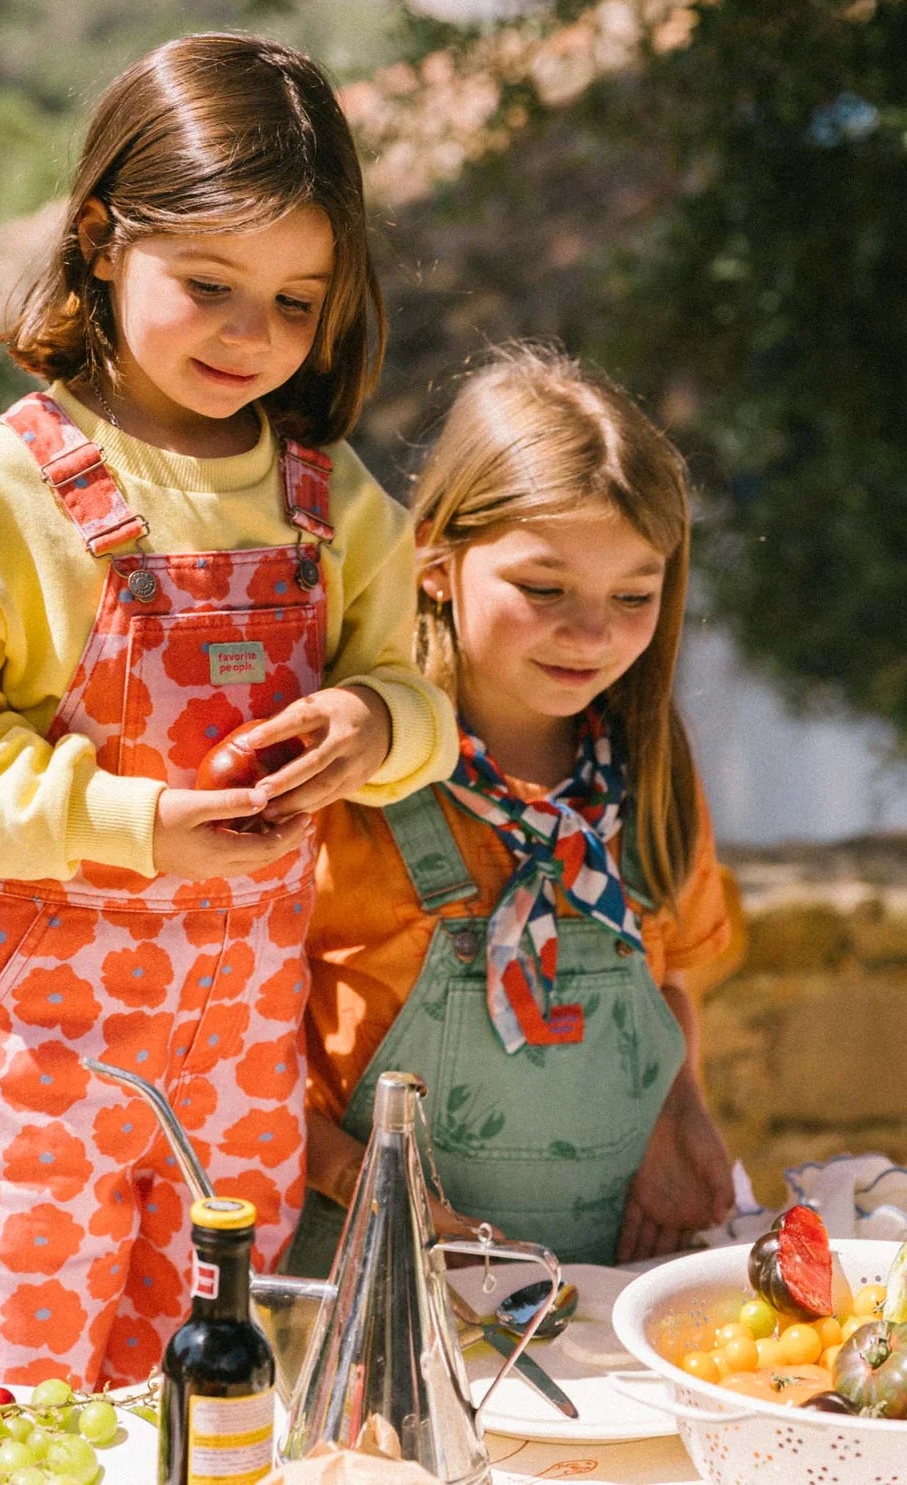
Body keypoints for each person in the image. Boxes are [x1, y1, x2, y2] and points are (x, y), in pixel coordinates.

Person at [0, 33, 456, 1388]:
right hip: (42, 1076)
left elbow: (424, 693)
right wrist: (135, 822)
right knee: (28, 1402)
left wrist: (372, 724)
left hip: (239, 1063)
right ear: (99, 240)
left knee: (213, 1382)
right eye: (211, 285)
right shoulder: (9, 490)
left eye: (298, 301)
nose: (256, 336)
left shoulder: (327, 493)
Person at [290, 343, 737, 1278]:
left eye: (633, 595)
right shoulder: (354, 777)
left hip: (598, 1281)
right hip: (374, 1276)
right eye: (543, 588)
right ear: (435, 565)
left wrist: (679, 1111)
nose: (591, 632)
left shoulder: (649, 771)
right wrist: (354, 1179)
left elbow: (664, 980)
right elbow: (239, 1040)